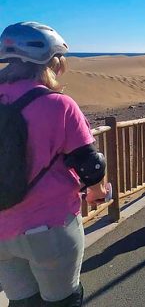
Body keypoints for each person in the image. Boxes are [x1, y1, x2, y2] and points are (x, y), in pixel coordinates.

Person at [0, 22, 109, 306]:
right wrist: (97, 192)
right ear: (50, 62)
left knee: (21, 302)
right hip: (50, 228)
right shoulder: (58, 104)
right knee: (62, 300)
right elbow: (90, 165)